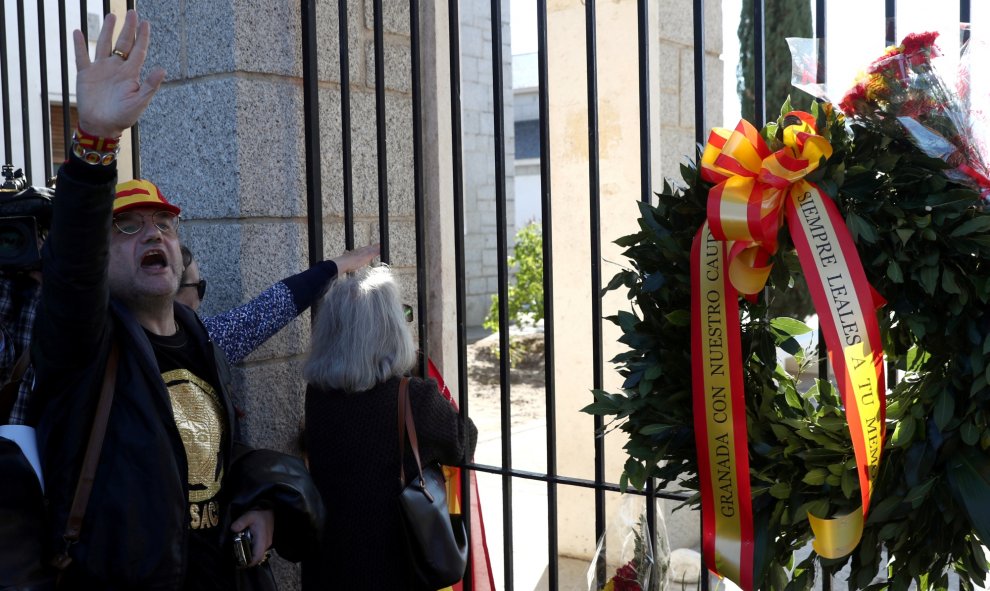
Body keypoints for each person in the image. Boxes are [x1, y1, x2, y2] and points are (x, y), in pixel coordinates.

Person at [29, 11, 322, 589]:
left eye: (163, 224)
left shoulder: (198, 336)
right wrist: (94, 146)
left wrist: (259, 503)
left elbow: (206, 462)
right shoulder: (84, 345)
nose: (154, 235)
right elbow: (71, 273)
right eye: (128, 228)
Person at [301, 265, 478, 590]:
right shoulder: (415, 397)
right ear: (390, 328)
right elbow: (463, 443)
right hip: (394, 565)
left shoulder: (317, 394)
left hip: (330, 563)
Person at [177, 243, 379, 364]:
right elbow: (270, 308)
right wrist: (341, 264)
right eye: (199, 287)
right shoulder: (196, 340)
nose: (201, 298)